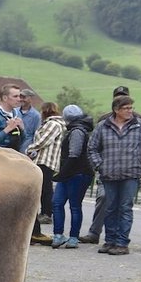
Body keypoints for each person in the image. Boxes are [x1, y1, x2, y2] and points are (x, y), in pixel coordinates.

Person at [88, 94, 141, 256]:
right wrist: (99, 166)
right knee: (110, 208)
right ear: (116, 110)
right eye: (126, 108)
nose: (130, 111)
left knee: (125, 208)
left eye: (131, 107)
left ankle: (122, 243)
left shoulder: (140, 126)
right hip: (109, 173)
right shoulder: (103, 126)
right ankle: (110, 241)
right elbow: (92, 148)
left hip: (131, 174)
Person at [83, 86, 138, 245]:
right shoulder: (104, 119)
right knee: (104, 198)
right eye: (117, 96)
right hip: (107, 168)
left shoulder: (138, 120)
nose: (119, 98)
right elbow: (94, 145)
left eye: (123, 96)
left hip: (129, 170)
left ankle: (119, 239)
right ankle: (95, 232)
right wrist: (99, 164)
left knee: (124, 206)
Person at [51, 104, 94, 249]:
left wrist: (61, 174)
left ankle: (73, 237)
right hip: (72, 173)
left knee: (73, 206)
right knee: (57, 203)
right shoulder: (79, 129)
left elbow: (74, 154)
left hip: (77, 173)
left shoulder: (77, 131)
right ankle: (59, 234)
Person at [26, 102, 64, 245]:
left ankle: (43, 217)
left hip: (44, 161)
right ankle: (36, 227)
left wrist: (28, 149)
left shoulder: (53, 124)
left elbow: (43, 141)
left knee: (41, 192)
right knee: (42, 191)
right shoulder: (51, 123)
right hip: (42, 161)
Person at [16, 89, 41, 155]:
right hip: (13, 146)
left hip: (25, 149)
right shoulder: (15, 111)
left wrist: (34, 150)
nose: (21, 99)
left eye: (24, 97)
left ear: (30, 99)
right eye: (20, 97)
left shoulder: (36, 115)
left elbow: (36, 134)